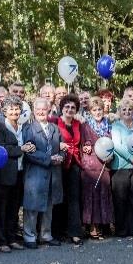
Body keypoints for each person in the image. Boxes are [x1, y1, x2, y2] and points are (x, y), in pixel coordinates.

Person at [22, 98, 64, 248]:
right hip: (35, 172)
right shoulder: (28, 129)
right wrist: (49, 158)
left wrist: (61, 157)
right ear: (34, 110)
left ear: (49, 110)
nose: (41, 112)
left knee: (49, 206)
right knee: (32, 206)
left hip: (53, 173)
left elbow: (60, 147)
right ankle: (29, 237)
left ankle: (46, 235)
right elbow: (29, 153)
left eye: (43, 109)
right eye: (38, 109)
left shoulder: (55, 128)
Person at [0, 96, 30, 252]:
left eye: (17, 108)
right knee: (1, 209)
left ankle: (11, 238)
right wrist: (21, 149)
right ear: (4, 111)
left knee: (14, 209)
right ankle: (1, 241)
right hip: (4, 175)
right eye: (11, 109)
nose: (14, 111)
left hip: (20, 173)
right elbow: (1, 149)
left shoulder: (23, 127)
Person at [50, 94, 84, 245]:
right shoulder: (54, 122)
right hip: (59, 164)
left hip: (74, 164)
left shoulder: (78, 124)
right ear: (61, 108)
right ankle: (56, 232)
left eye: (73, 107)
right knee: (58, 198)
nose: (70, 110)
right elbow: (48, 139)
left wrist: (88, 143)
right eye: (67, 107)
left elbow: (86, 138)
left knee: (74, 198)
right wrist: (58, 145)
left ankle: (75, 232)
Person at [111, 100, 133, 238]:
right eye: (124, 110)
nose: (127, 112)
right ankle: (121, 229)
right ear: (119, 112)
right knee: (120, 199)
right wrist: (132, 158)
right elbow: (117, 145)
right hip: (121, 168)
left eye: (130, 110)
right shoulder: (116, 126)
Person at [80, 97, 114, 239]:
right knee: (91, 196)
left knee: (104, 195)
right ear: (90, 111)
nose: (97, 112)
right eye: (94, 110)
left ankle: (104, 224)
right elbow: (82, 144)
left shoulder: (109, 124)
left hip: (105, 164)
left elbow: (112, 143)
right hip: (90, 165)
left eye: (99, 109)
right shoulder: (85, 125)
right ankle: (92, 227)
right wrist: (87, 147)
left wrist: (110, 155)